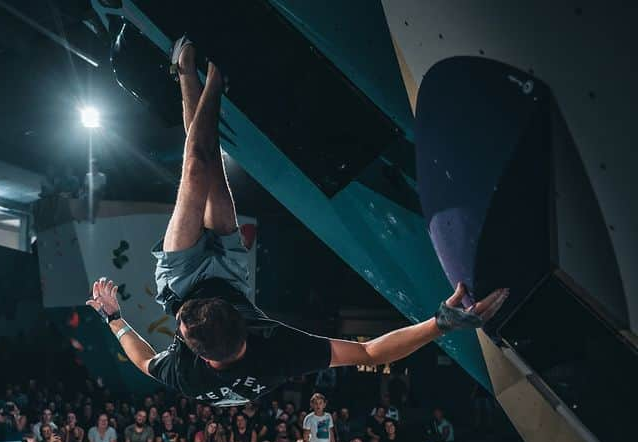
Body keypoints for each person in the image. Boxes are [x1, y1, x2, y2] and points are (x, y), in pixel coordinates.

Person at [83, 39, 508, 406]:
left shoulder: (185, 374)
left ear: (195, 350)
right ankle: (197, 75)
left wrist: (113, 318)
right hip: (230, 277)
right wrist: (441, 323)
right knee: (210, 166)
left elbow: (141, 360)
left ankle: (207, 77)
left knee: (195, 167)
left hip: (180, 282)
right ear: (247, 326)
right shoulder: (278, 353)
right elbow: (372, 354)